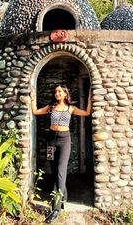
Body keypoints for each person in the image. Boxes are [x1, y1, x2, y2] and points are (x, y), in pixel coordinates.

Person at [31, 85, 91, 224]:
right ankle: (64, 194)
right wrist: (32, 98)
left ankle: (56, 208)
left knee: (60, 171)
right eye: (56, 91)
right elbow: (35, 111)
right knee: (53, 170)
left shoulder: (71, 108)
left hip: (64, 141)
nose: (57, 93)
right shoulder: (51, 107)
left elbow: (87, 112)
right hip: (51, 140)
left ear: (65, 93)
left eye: (60, 91)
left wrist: (90, 97)